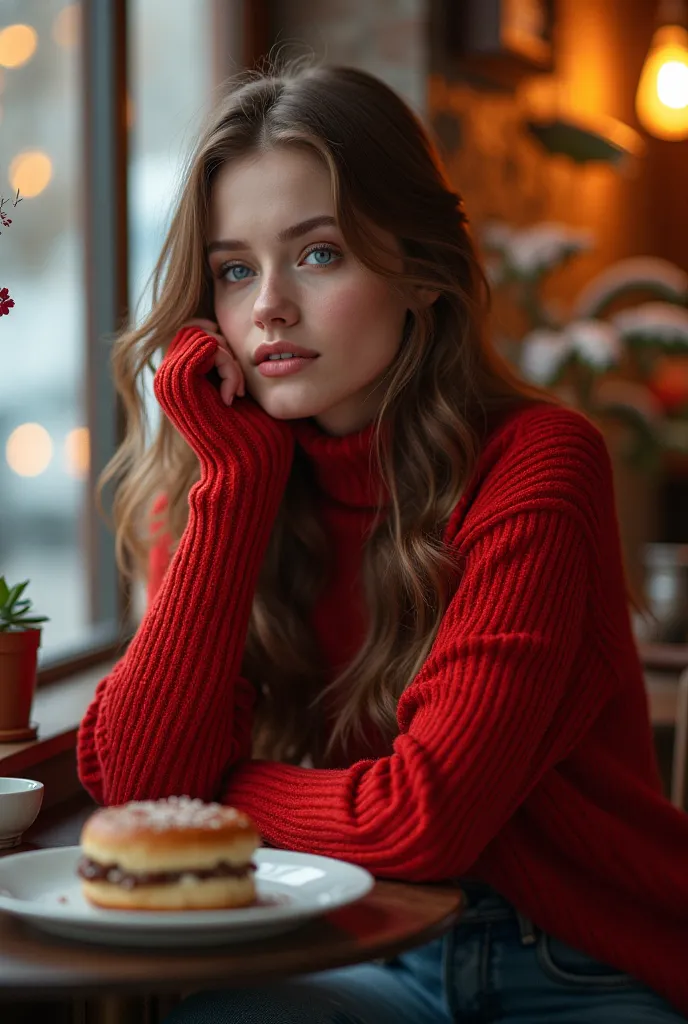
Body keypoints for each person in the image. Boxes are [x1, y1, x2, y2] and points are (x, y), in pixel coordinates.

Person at [77, 60, 688, 1023]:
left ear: (419, 273)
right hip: (346, 951)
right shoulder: (217, 483)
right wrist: (234, 491)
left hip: (574, 962)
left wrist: (222, 793)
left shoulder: (539, 462)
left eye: (318, 254)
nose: (269, 305)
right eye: (235, 270)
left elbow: (423, 819)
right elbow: (140, 793)